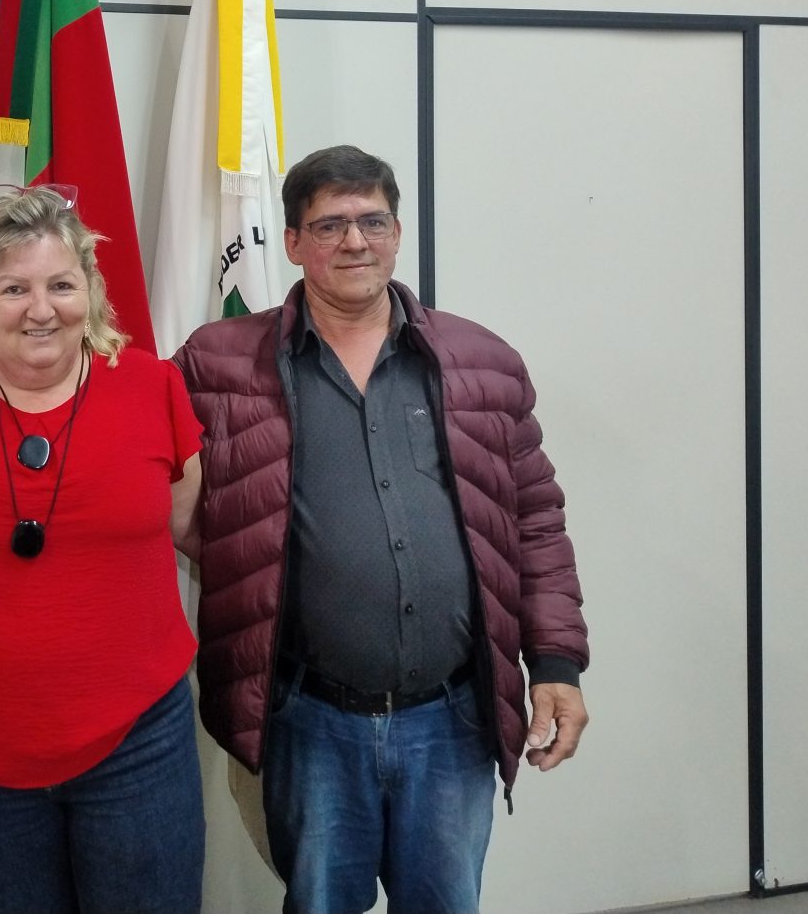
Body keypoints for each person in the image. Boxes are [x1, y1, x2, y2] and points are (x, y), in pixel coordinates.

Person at [173, 145, 589, 914]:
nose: (354, 241)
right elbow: (162, 486)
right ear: (292, 242)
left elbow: (534, 519)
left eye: (372, 221)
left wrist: (556, 664)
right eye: (329, 224)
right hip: (308, 719)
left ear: (397, 233)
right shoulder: (217, 365)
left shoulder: (482, 362)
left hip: (452, 718)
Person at [0, 184, 206, 914]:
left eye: (62, 284)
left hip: (137, 745)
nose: (41, 308)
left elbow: (193, 529)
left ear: (90, 291)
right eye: (14, 288)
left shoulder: (152, 387)